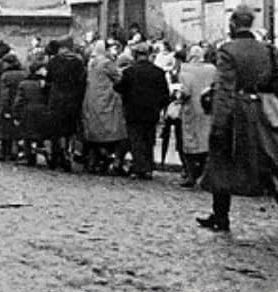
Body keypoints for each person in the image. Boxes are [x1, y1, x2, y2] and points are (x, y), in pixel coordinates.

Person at [196, 4, 278, 236]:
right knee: (265, 164)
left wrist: (219, 124)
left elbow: (224, 89)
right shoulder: (267, 49)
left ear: (233, 23)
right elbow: (277, 84)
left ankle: (221, 217)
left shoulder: (228, 50)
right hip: (260, 111)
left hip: (235, 112)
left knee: (221, 162)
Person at [114, 42, 169, 179]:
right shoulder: (158, 73)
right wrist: (158, 107)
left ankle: (139, 168)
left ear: (135, 55)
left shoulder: (129, 72)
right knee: (149, 140)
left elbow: (119, 88)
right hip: (151, 112)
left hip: (133, 111)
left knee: (136, 140)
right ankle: (148, 168)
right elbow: (165, 95)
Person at [81, 39, 127, 174]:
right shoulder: (106, 63)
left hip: (92, 100)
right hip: (106, 100)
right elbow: (119, 77)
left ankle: (94, 161)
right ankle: (116, 162)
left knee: (95, 133)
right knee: (116, 132)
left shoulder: (91, 63)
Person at [177, 44, 217, 187]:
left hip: (192, 111)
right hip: (208, 110)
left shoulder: (185, 70)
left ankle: (192, 175)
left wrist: (177, 97)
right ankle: (206, 175)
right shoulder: (212, 69)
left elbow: (185, 92)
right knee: (206, 143)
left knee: (190, 144)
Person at [44, 37, 87, 171]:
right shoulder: (78, 63)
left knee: (56, 129)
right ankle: (67, 152)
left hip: (56, 100)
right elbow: (82, 83)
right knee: (69, 130)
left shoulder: (53, 62)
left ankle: (56, 155)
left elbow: (48, 80)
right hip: (72, 101)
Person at [13, 60, 50, 166]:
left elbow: (19, 101)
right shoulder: (46, 84)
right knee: (42, 136)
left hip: (28, 111)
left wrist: (16, 114)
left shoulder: (24, 84)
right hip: (43, 111)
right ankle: (46, 155)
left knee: (27, 136)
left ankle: (29, 157)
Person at [0, 52, 26, 162]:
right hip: (21, 106)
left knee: (5, 130)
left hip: (9, 105)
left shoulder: (6, 76)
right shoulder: (24, 74)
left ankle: (5, 153)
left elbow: (5, 94)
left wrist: (3, 109)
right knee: (18, 131)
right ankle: (18, 152)